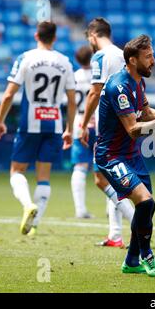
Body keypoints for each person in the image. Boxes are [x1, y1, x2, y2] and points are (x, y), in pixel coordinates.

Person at [0, 21, 76, 236]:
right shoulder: (65, 62)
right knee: (44, 176)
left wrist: (0, 120)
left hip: (30, 123)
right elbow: (72, 100)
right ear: (55, 38)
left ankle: (28, 205)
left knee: (17, 171)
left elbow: (9, 94)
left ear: (37, 35)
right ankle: (35, 224)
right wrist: (70, 128)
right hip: (54, 124)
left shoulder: (26, 58)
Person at [94, 34, 155, 277]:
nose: (153, 61)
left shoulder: (138, 82)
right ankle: (147, 256)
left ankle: (131, 260)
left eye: (153, 55)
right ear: (132, 60)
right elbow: (133, 129)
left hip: (131, 155)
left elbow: (145, 112)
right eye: (148, 57)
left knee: (145, 208)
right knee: (146, 202)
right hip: (111, 156)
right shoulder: (119, 87)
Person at [79, 18, 135, 247]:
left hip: (109, 129)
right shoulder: (124, 55)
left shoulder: (101, 56)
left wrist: (82, 124)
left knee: (100, 179)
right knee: (114, 179)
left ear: (93, 35)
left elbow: (94, 92)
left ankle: (138, 224)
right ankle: (115, 234)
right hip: (126, 124)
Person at [70, 45, 95, 219]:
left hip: (79, 124)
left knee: (79, 167)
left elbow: (69, 103)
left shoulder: (73, 77)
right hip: (99, 124)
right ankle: (113, 209)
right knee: (107, 167)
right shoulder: (98, 76)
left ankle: (80, 209)